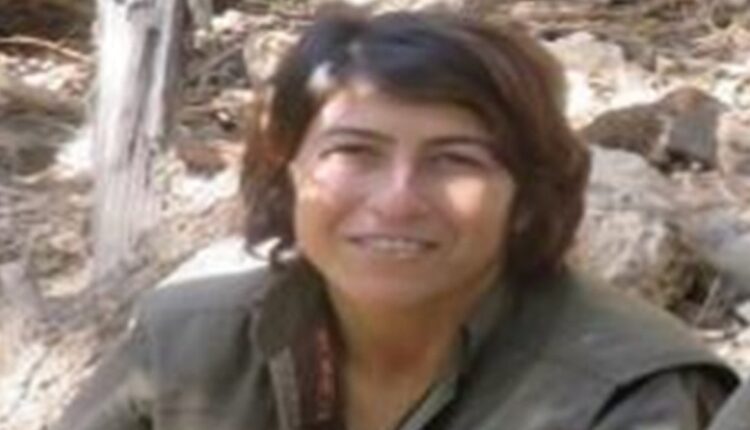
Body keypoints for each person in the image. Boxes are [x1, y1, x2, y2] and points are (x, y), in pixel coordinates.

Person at [55, 6, 738, 430]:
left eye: (455, 160)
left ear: (529, 195)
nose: (398, 199)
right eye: (354, 152)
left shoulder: (628, 388)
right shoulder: (188, 339)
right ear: (287, 169)